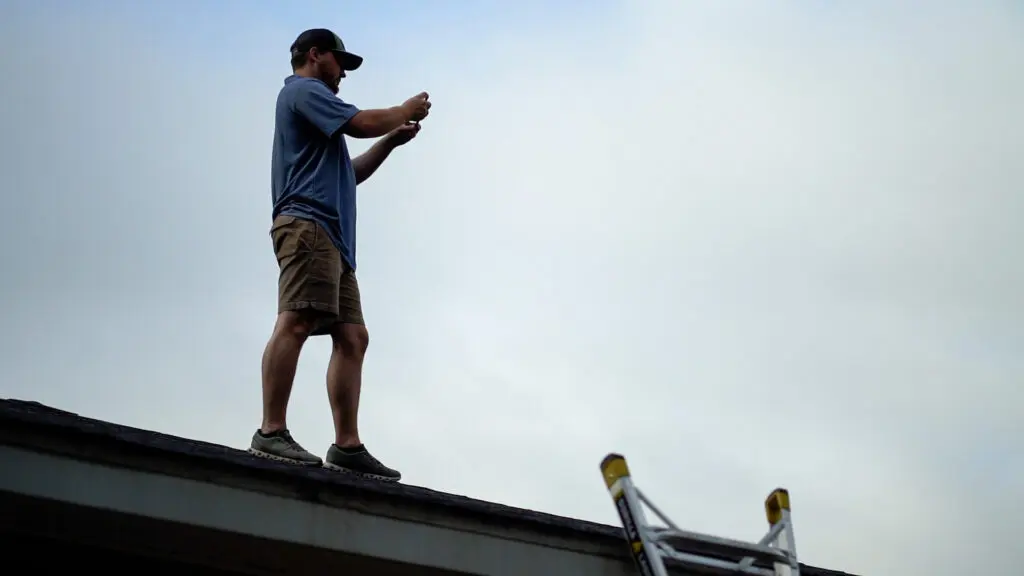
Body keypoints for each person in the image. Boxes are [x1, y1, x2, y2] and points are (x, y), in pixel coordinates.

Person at [248, 28, 431, 482]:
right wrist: (403, 110)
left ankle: (347, 446)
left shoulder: (316, 112)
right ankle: (271, 430)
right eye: (340, 63)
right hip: (308, 225)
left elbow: (349, 173)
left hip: (331, 236)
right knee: (297, 320)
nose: (343, 75)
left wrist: (389, 143)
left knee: (353, 336)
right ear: (315, 55)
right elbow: (362, 122)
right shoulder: (303, 91)